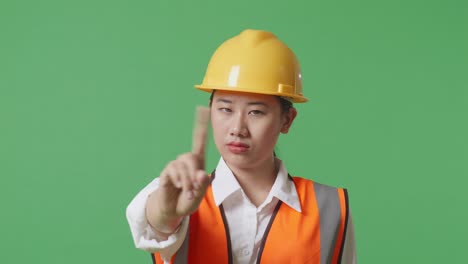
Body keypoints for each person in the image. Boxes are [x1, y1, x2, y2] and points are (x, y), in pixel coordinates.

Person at [126, 29, 357, 264]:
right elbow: (153, 224)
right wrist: (166, 211)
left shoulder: (330, 208)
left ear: (287, 120)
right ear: (210, 111)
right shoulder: (177, 194)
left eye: (256, 112)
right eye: (225, 109)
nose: (238, 128)